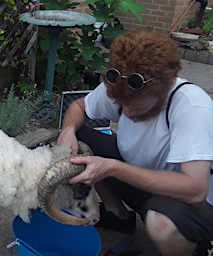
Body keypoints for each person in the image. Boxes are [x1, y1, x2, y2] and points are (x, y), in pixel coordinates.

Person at [57, 30, 213, 256]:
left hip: (192, 204)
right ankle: (117, 215)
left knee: (161, 223)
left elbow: (195, 189)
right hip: (141, 179)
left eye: (137, 107)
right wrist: (68, 130)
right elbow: (79, 107)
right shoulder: (122, 84)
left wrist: (113, 168)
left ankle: (191, 250)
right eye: (122, 104)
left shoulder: (192, 106)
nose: (128, 112)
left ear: (164, 89)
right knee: (82, 138)